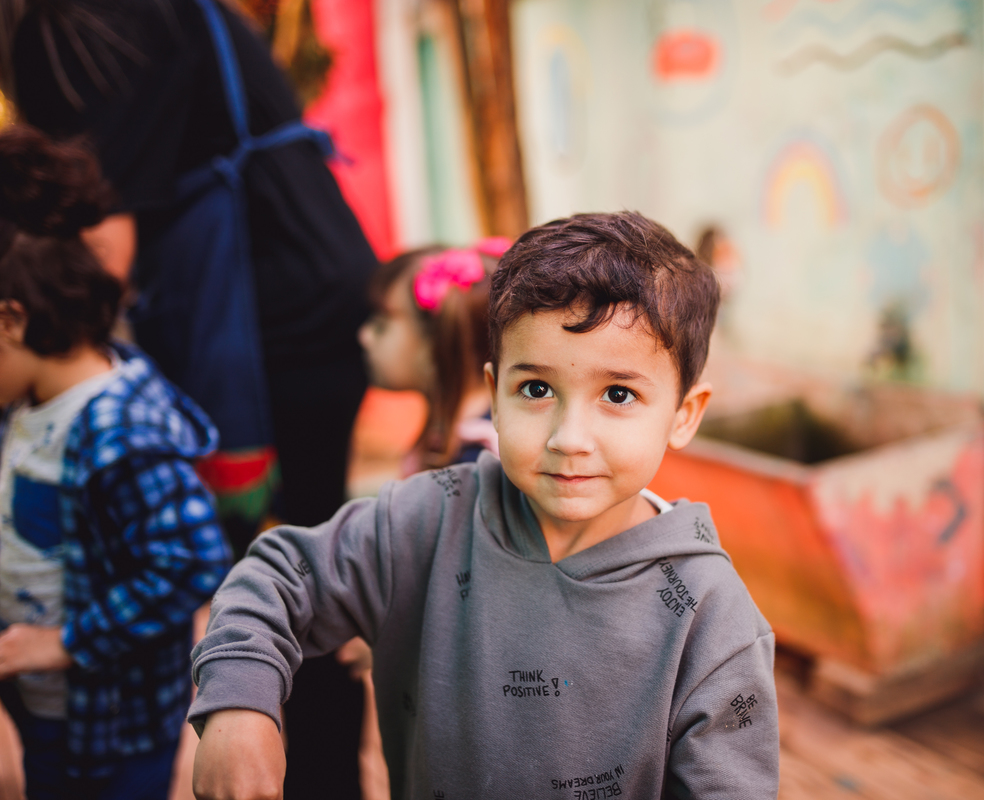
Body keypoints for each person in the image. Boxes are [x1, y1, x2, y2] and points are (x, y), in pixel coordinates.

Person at [189, 211, 780, 799]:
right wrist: (240, 702)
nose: (569, 437)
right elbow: (275, 575)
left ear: (684, 413)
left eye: (618, 394)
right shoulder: (428, 521)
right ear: (494, 394)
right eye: (536, 389)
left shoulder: (711, 617)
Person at [1, 2, 378, 796]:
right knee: (299, 573)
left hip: (264, 317)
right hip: (295, 289)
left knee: (287, 581)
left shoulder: (80, 28)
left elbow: (103, 237)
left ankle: (302, 776)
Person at [0, 124, 232, 800]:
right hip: (42, 714)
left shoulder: (114, 428)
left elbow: (193, 560)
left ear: (12, 320)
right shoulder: (31, 404)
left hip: (107, 729)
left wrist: (65, 642)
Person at [359, 237, 512, 473]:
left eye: (382, 324)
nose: (365, 336)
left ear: (434, 347)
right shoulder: (447, 439)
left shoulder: (476, 461)